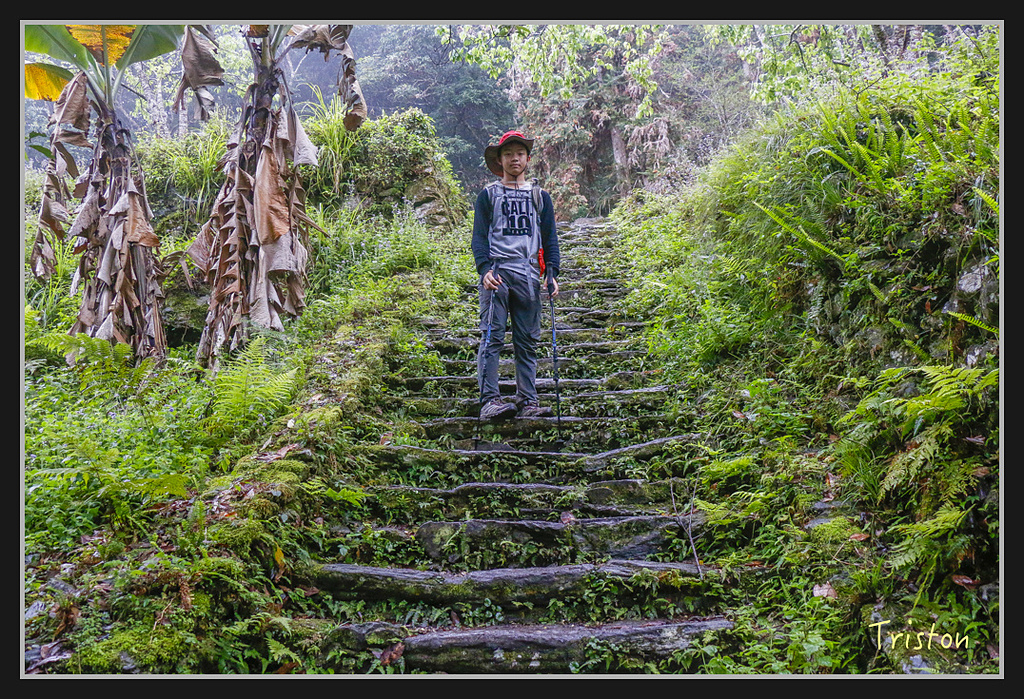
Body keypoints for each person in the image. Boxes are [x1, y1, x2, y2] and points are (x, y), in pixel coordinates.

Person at [472, 130, 561, 420]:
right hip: (497, 271)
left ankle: (528, 401)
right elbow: (479, 238)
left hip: (528, 272)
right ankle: (490, 401)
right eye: (508, 153)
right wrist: (484, 269)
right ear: (500, 159)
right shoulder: (488, 196)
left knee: (527, 339)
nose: (515, 158)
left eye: (520, 153)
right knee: (492, 336)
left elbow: (550, 238)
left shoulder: (540, 196)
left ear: (528, 159)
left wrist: (552, 273)